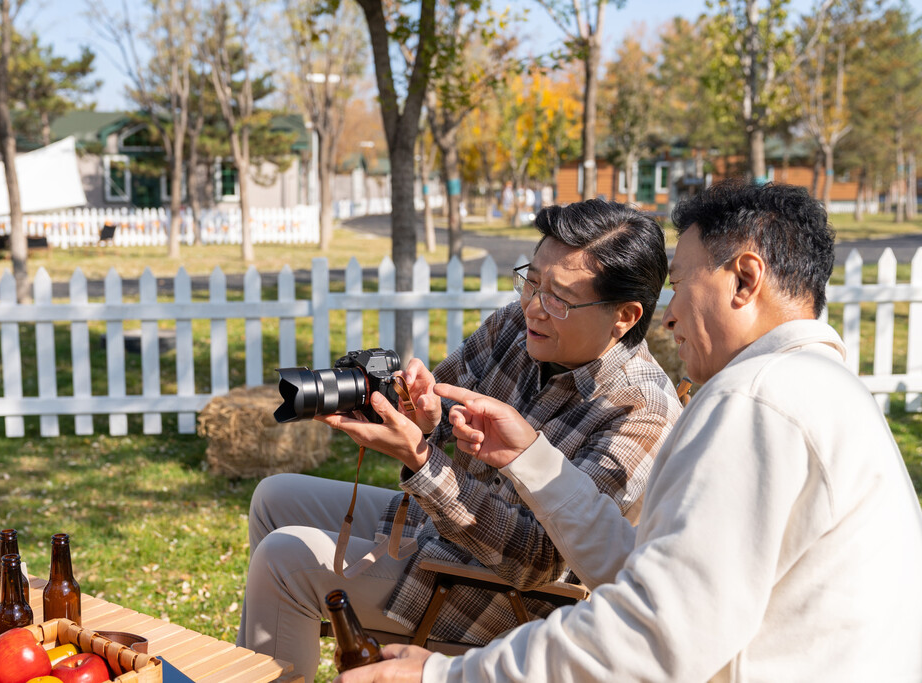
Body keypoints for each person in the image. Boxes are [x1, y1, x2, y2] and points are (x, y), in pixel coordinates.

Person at [337, 181, 922, 682]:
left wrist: (447, 674)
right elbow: (643, 566)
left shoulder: (758, 400)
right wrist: (533, 458)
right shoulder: (819, 388)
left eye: (683, 283)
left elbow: (658, 630)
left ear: (744, 279)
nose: (667, 315)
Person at [238, 200, 684, 681]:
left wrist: (422, 458)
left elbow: (538, 563)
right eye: (531, 281)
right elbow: (443, 407)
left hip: (503, 600)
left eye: (559, 298)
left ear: (625, 316)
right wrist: (423, 414)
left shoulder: (641, 412)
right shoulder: (516, 328)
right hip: (443, 535)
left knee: (285, 559)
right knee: (274, 497)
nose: (534, 306)